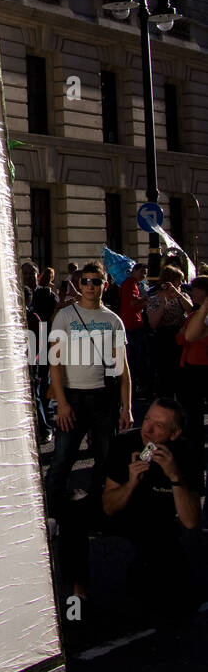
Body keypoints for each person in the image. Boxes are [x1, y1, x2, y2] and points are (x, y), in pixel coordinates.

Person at [102, 397, 204, 621]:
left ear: (175, 434)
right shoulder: (124, 444)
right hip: (125, 517)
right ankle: (81, 602)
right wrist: (131, 483)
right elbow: (109, 508)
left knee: (184, 603)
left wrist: (175, 477)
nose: (147, 429)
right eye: (147, 419)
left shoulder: (186, 453)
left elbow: (190, 521)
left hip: (160, 525)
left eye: (159, 426)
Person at [45, 262, 132, 521]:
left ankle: (96, 510)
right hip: (72, 395)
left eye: (96, 281)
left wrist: (126, 407)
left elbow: (123, 368)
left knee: (105, 458)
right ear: (78, 284)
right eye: (85, 281)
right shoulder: (65, 316)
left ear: (105, 285)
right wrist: (62, 403)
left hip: (104, 396)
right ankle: (53, 514)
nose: (90, 286)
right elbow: (55, 362)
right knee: (62, 457)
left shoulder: (113, 320)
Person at [178, 278, 208, 527]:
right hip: (194, 371)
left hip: (200, 370)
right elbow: (189, 335)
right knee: (194, 430)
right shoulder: (200, 314)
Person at [146, 265, 192, 397]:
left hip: (180, 336)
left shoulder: (182, 295)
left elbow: (191, 311)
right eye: (179, 280)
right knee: (164, 375)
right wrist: (162, 303)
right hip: (163, 338)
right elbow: (153, 323)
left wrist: (177, 295)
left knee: (181, 374)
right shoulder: (155, 298)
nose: (181, 284)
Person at [119, 262, 149, 396]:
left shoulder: (134, 284)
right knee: (134, 359)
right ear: (134, 271)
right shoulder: (130, 284)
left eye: (145, 273)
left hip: (134, 324)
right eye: (142, 272)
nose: (144, 275)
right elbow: (132, 303)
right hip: (131, 325)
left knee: (135, 358)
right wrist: (145, 299)